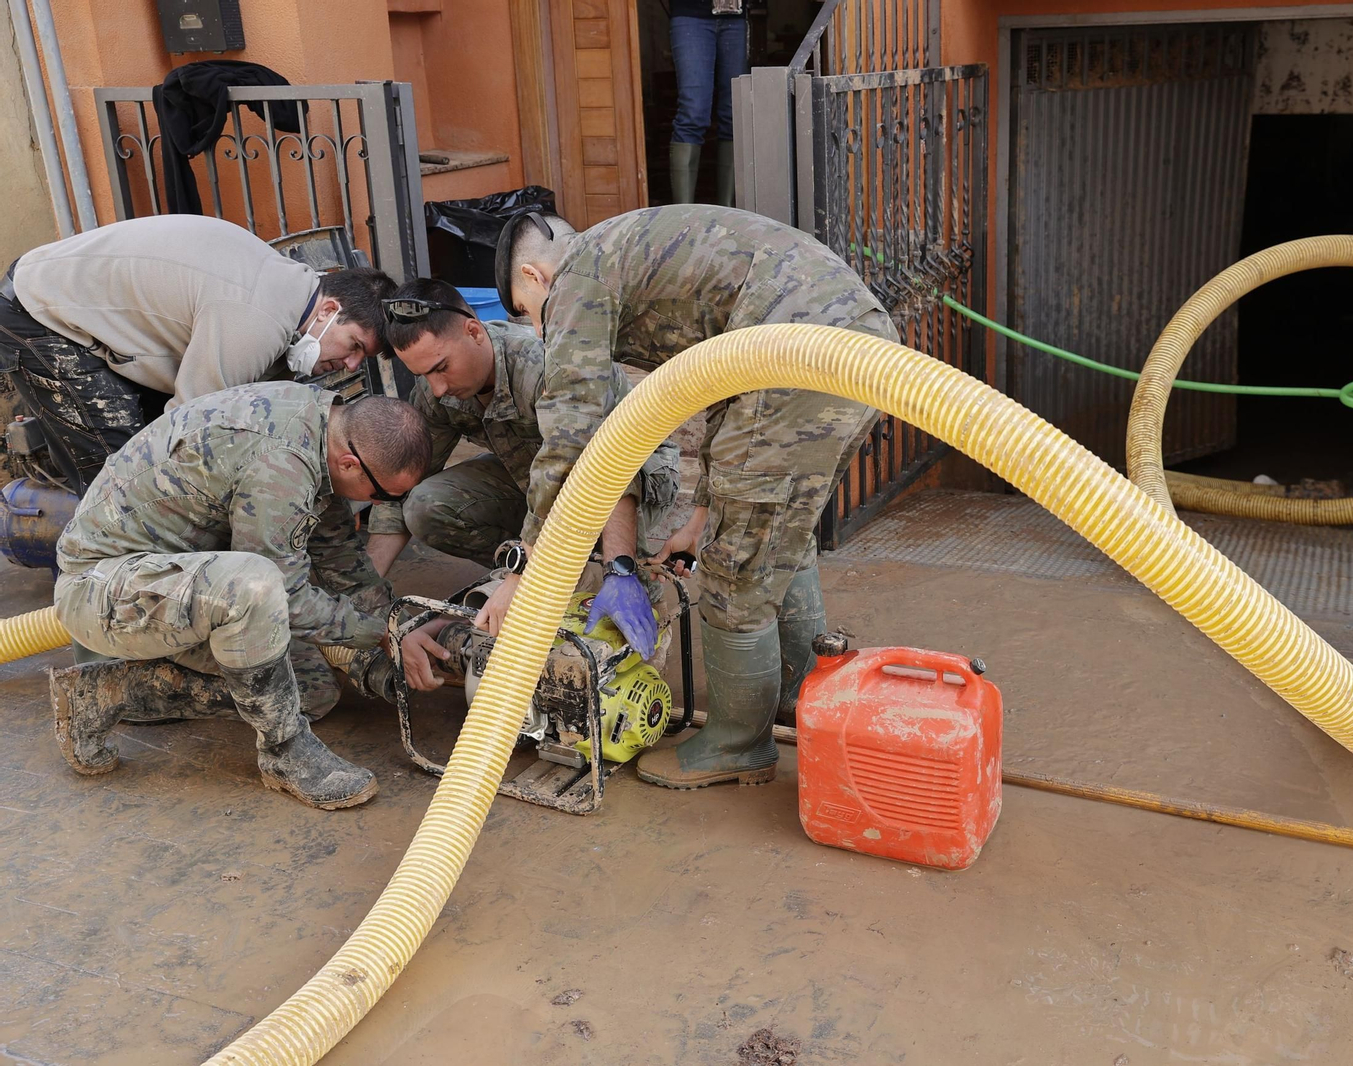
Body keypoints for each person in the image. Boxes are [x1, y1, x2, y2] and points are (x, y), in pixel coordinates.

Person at [484, 204, 897, 790]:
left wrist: (524, 566)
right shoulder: (628, 247)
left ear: (534, 278)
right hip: (855, 334)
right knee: (778, 531)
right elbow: (721, 395)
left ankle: (737, 743)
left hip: (797, 352)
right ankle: (797, 693)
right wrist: (702, 515)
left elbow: (569, 438)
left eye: (529, 316)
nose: (537, 331)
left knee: (737, 566)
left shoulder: (576, 276)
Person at [50, 382, 430, 810]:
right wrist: (374, 632)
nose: (383, 504)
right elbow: (284, 597)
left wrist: (395, 631)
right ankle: (285, 755)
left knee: (308, 691)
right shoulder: (281, 464)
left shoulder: (319, 424)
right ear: (350, 462)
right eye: (383, 496)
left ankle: (117, 691)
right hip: (105, 589)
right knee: (255, 584)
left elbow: (339, 553)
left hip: (172, 585)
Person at [366, 278, 681, 692]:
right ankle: (535, 580)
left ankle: (589, 577)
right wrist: (366, 599)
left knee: (607, 572)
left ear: (474, 332)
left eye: (441, 367)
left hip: (629, 472)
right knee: (426, 505)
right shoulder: (437, 389)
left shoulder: (544, 366)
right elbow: (404, 484)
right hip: (534, 477)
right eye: (423, 375)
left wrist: (618, 569)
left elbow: (606, 470)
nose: (437, 387)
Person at [0, 215, 396, 492]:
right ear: (330, 310)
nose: (351, 364)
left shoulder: (291, 293)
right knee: (120, 478)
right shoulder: (256, 319)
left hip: (84, 307)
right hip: (38, 310)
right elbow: (188, 428)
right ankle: (100, 591)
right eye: (355, 346)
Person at [666, 0, 748, 206]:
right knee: (693, 111)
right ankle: (683, 213)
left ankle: (728, 212)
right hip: (691, 16)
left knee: (733, 112)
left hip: (736, 17)